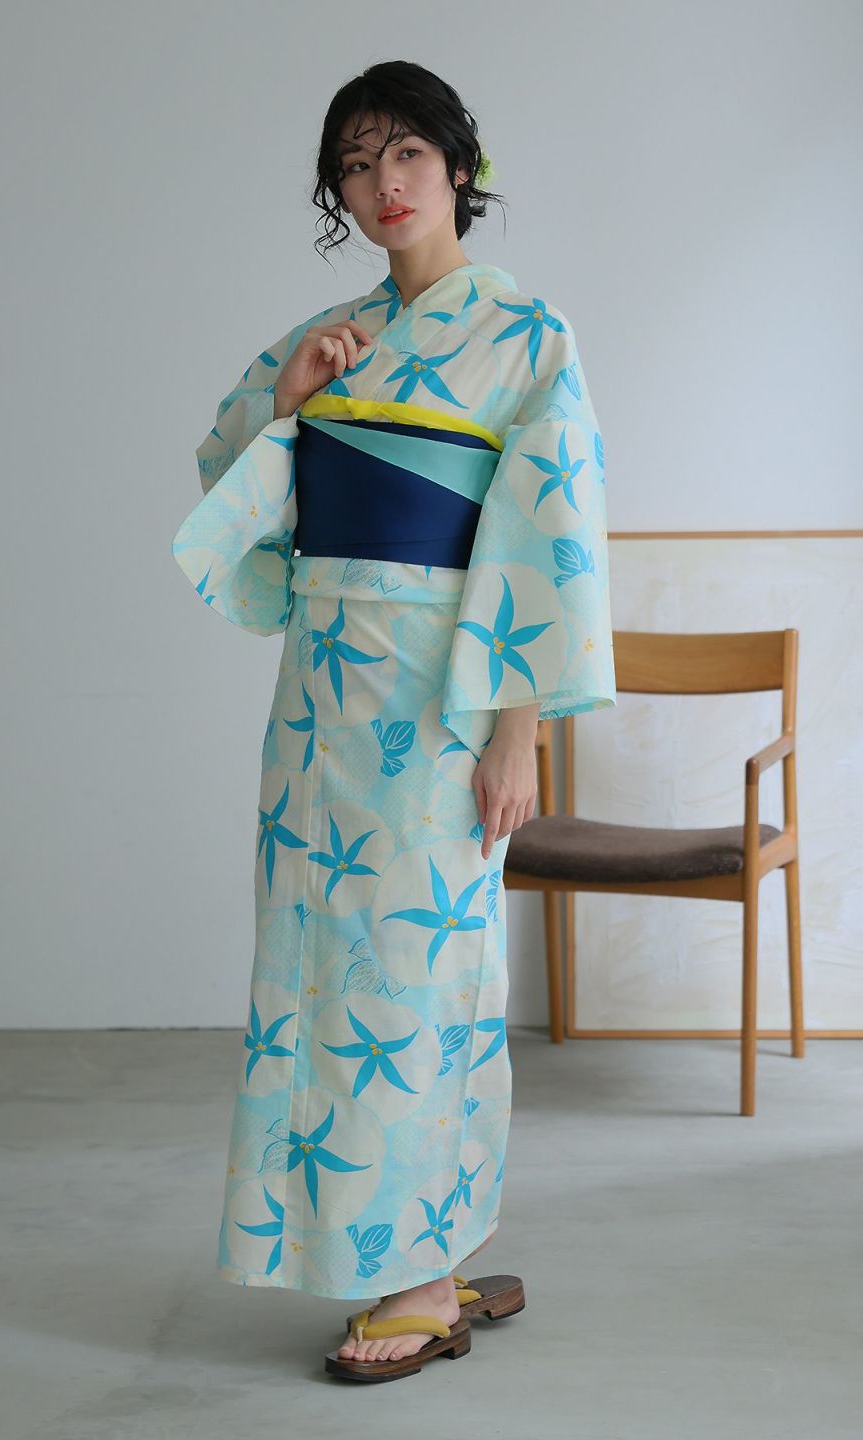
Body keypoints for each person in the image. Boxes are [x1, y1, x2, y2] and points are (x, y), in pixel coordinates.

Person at [172, 59, 617, 1380]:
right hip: (317, 703)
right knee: (322, 976)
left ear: (459, 165)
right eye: (357, 166)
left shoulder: (528, 337)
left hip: (438, 697)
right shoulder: (329, 336)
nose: (385, 185)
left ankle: (417, 1277)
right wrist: (292, 406)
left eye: (406, 153)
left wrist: (516, 729)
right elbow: (230, 478)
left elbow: (548, 536)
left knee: (422, 977)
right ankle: (428, 1248)